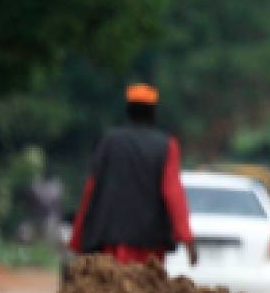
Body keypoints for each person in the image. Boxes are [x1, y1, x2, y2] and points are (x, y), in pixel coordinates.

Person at [69, 84, 197, 268]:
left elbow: (90, 190)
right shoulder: (166, 146)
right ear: (153, 112)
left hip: (109, 242)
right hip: (150, 246)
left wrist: (76, 239)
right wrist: (188, 240)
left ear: (128, 110)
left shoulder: (108, 142)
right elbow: (172, 194)